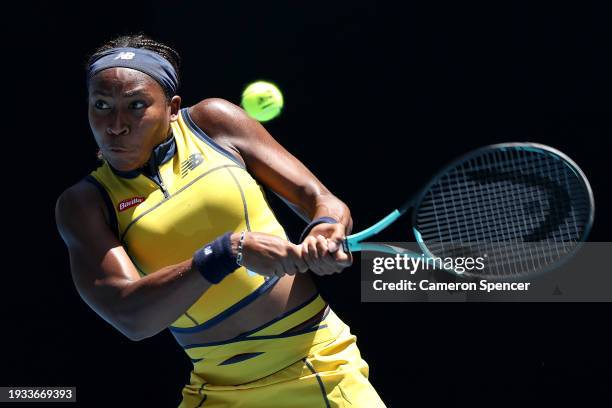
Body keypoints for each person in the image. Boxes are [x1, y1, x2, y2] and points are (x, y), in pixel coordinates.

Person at [55, 33, 387, 407]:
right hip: (215, 392)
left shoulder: (213, 122)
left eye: (136, 105)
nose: (116, 125)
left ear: (173, 107)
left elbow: (320, 200)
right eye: (101, 105)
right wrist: (227, 252)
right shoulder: (84, 204)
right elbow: (130, 316)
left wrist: (325, 228)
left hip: (318, 366)